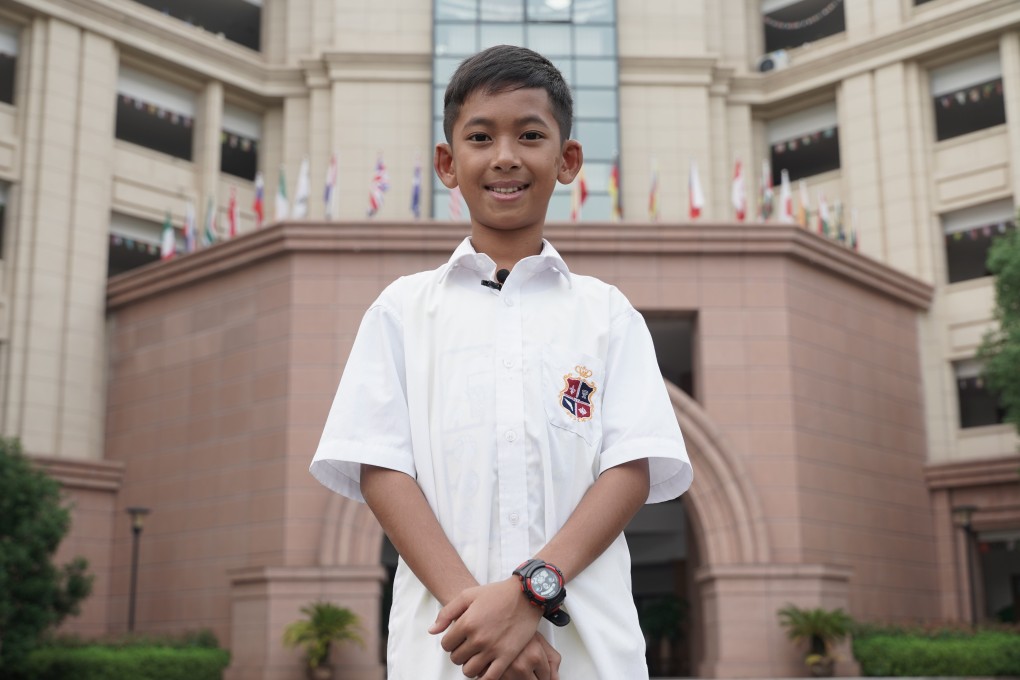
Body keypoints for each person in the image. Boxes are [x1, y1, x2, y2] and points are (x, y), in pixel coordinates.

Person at [310, 44, 693, 680]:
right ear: (448, 162)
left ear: (567, 160)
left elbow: (630, 469)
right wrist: (486, 628)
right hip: (446, 654)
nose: (505, 157)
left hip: (587, 655)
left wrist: (526, 597)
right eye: (480, 136)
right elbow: (382, 469)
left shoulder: (607, 314)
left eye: (531, 135)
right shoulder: (401, 311)